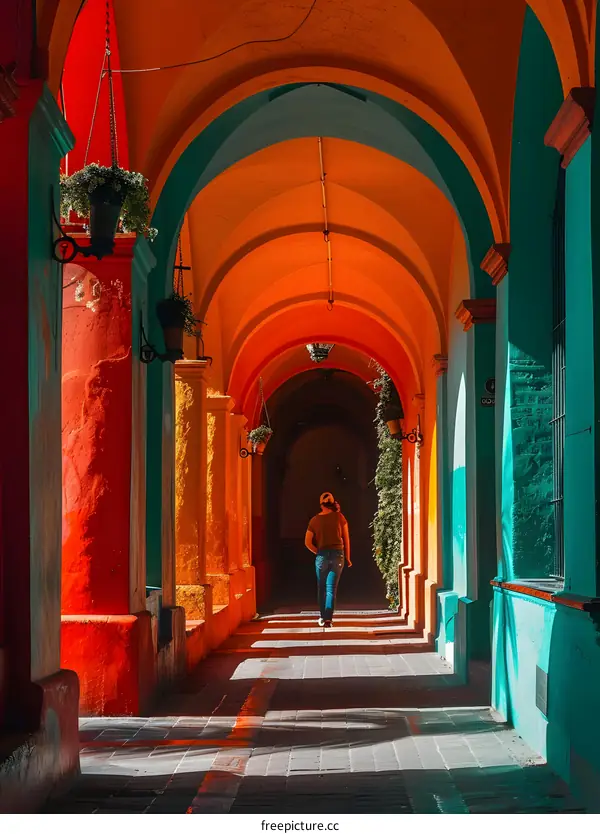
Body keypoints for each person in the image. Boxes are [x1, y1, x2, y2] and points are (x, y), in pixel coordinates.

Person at [304, 492, 351, 627]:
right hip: (338, 555)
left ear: (321, 505)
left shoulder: (314, 520)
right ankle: (329, 619)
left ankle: (323, 617)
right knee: (331, 588)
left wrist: (317, 552)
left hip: (322, 556)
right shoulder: (340, 517)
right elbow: (346, 539)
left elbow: (307, 542)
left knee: (321, 588)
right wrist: (348, 557)